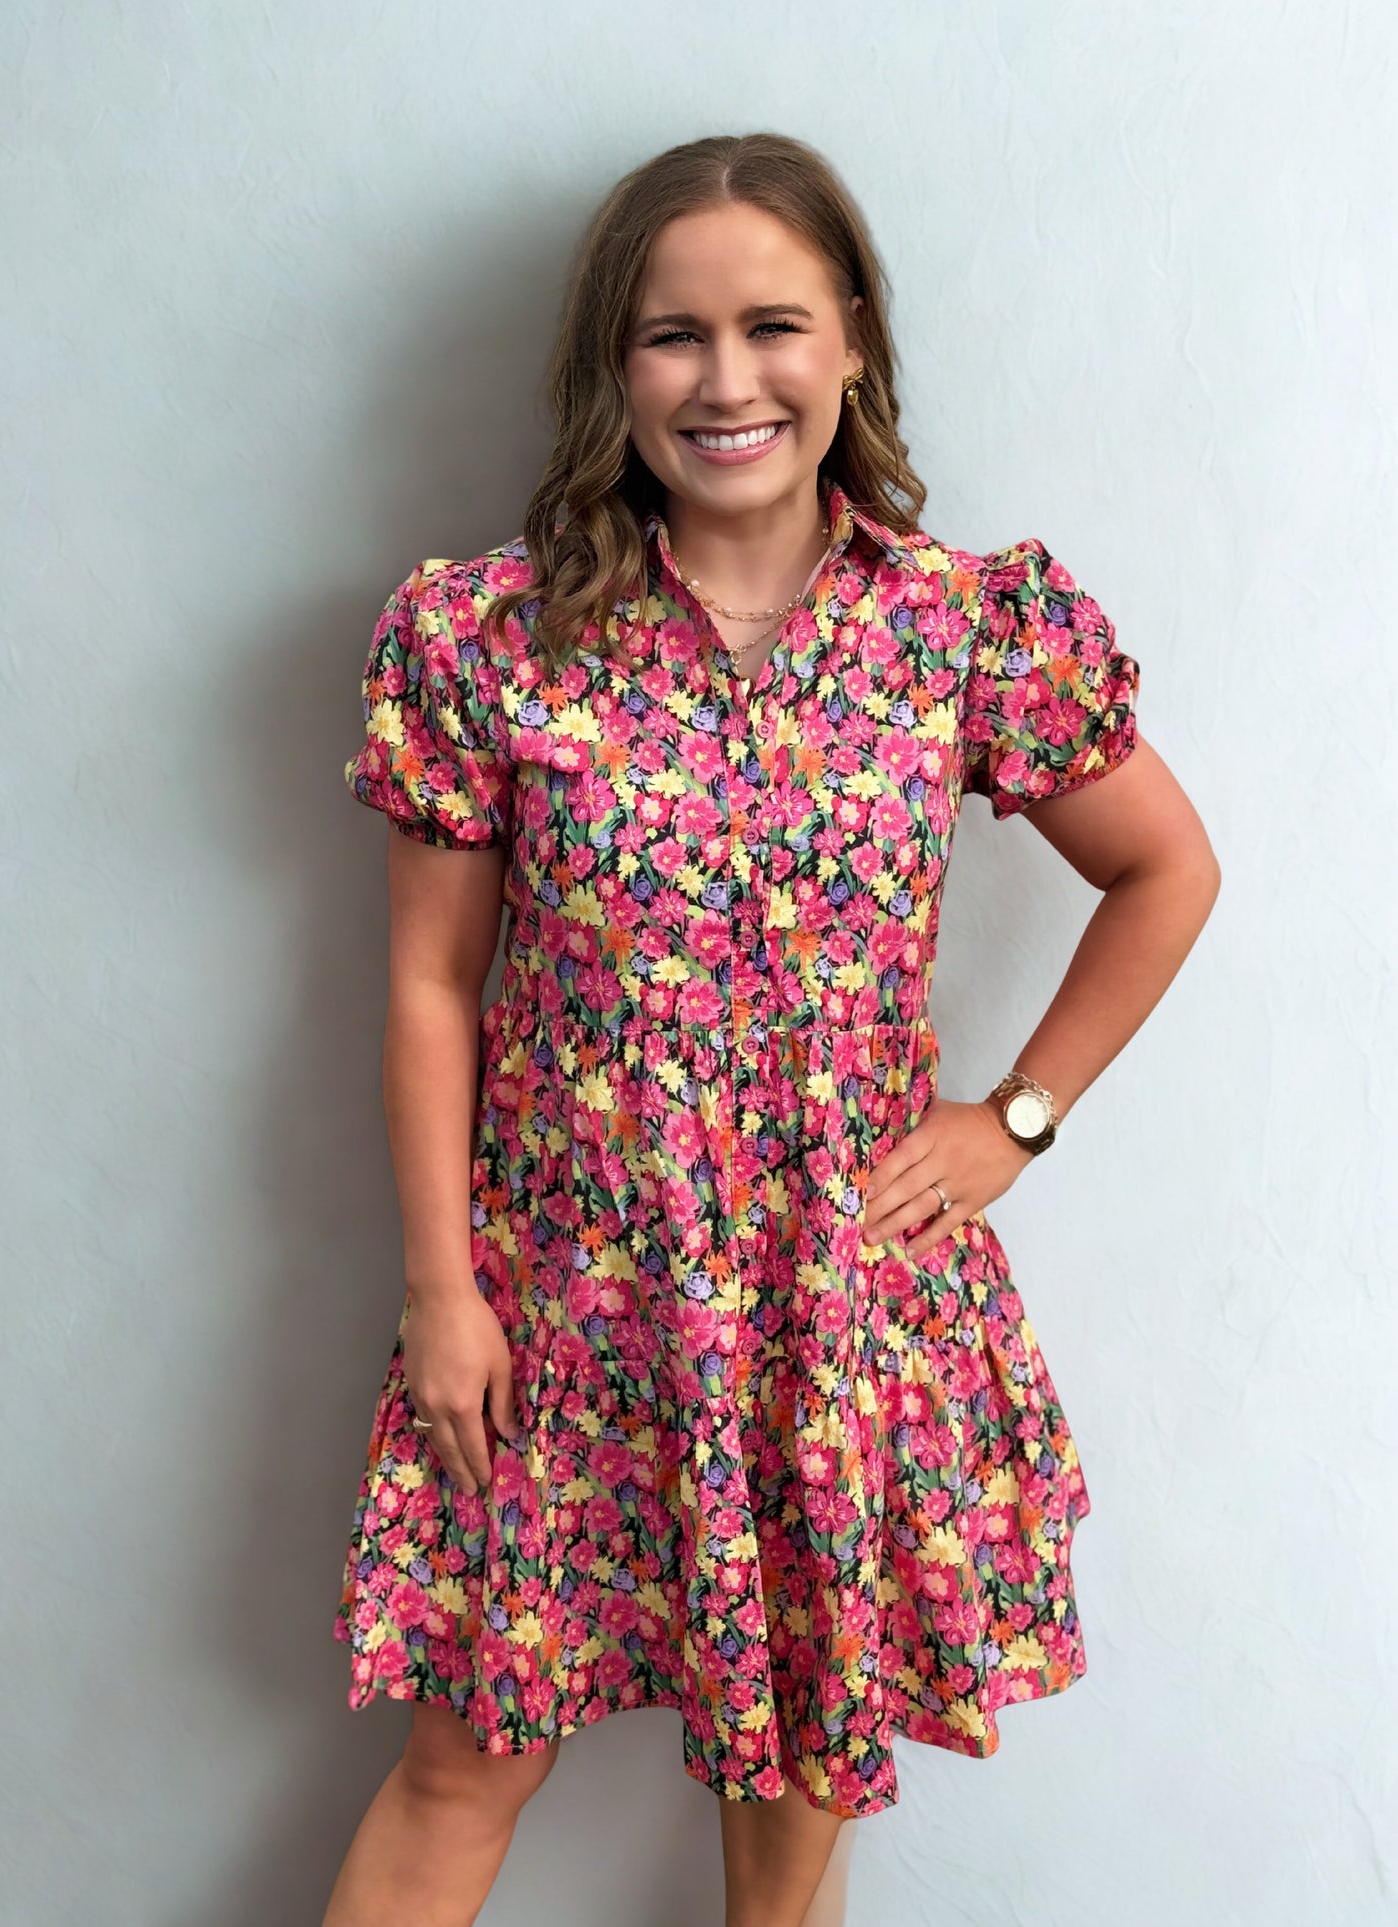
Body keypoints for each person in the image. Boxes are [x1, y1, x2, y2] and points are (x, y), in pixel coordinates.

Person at [320, 132, 1221, 1927]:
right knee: (457, 1766)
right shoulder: (488, 639)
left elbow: (1165, 871)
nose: (725, 381)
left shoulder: (962, 632)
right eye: (672, 336)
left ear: (854, 343)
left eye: (772, 325)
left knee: (793, 1787)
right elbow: (432, 982)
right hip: (564, 1308)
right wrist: (444, 1288)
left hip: (837, 1307)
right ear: (614, 364)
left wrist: (1012, 1120)